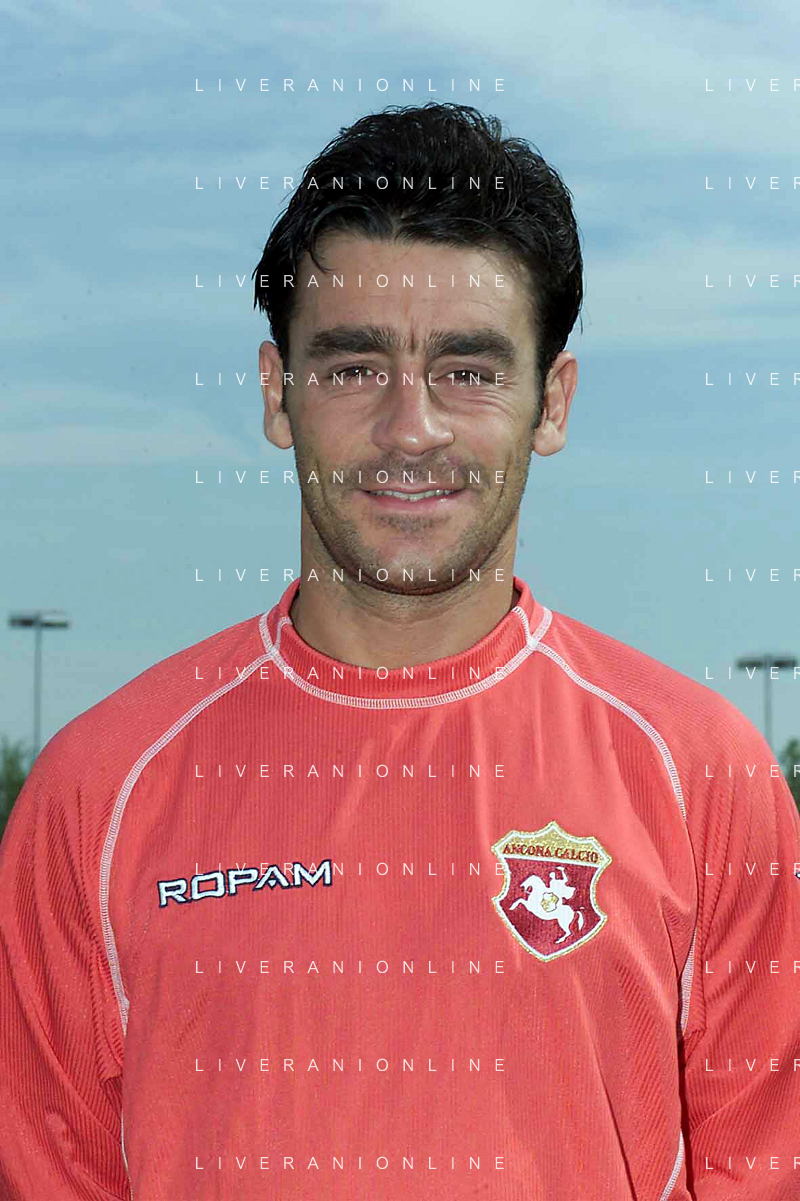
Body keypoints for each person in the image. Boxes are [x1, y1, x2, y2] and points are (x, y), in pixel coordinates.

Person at [1, 102, 798, 1201]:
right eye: (353, 367)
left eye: (467, 370)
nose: (410, 428)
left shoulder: (703, 778)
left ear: (551, 402)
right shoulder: (96, 794)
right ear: (278, 393)